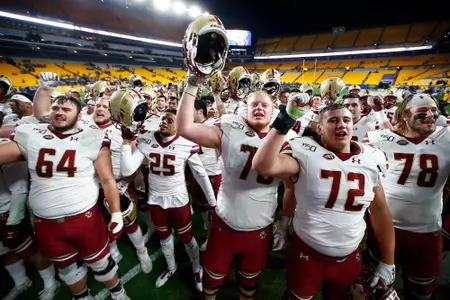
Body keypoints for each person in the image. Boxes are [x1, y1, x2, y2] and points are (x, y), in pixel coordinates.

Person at [252, 102, 396, 300]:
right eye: (333, 120)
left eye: (346, 120)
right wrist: (285, 121)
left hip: (350, 256)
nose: (341, 125)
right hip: (308, 255)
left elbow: (380, 211)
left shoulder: (371, 157)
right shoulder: (304, 150)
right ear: (319, 128)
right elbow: (263, 166)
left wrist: (388, 261)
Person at [0, 95, 129, 300]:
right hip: (46, 223)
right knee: (66, 268)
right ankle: (83, 297)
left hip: (84, 218)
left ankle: (118, 293)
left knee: (100, 262)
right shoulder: (31, 133)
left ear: (79, 115)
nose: (59, 112)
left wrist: (115, 213)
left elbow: (107, 179)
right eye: (56, 108)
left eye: (66, 109)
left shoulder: (93, 137)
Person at [177, 77, 287, 300]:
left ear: (273, 109)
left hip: (261, 226)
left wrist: (284, 225)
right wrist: (192, 84)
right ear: (244, 109)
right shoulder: (229, 127)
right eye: (253, 104)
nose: (258, 108)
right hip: (225, 223)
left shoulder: (287, 138)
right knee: (212, 279)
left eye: (264, 105)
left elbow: (293, 187)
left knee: (249, 281)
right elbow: (184, 128)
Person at [120, 106, 215, 291]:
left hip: (178, 199)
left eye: (169, 120)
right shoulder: (147, 139)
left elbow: (200, 174)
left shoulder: (187, 143)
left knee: (187, 237)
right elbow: (127, 170)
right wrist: (125, 142)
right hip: (156, 199)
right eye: (163, 119)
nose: (163, 122)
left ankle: (197, 268)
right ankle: (171, 267)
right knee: (164, 237)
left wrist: (212, 201)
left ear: (178, 125)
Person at [365, 93, 450, 300]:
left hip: (427, 231)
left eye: (433, 111)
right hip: (384, 227)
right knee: (373, 287)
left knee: (421, 292)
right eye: (422, 113)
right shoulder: (378, 139)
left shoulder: (446, 138)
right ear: (404, 115)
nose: (430, 116)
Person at [93, 96, 153, 273]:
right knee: (105, 223)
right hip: (95, 186)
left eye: (105, 106)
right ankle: (113, 249)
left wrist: (124, 184)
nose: (100, 109)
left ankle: (142, 251)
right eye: (97, 105)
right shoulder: (86, 129)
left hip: (121, 185)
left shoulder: (123, 132)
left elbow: (133, 166)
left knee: (130, 223)